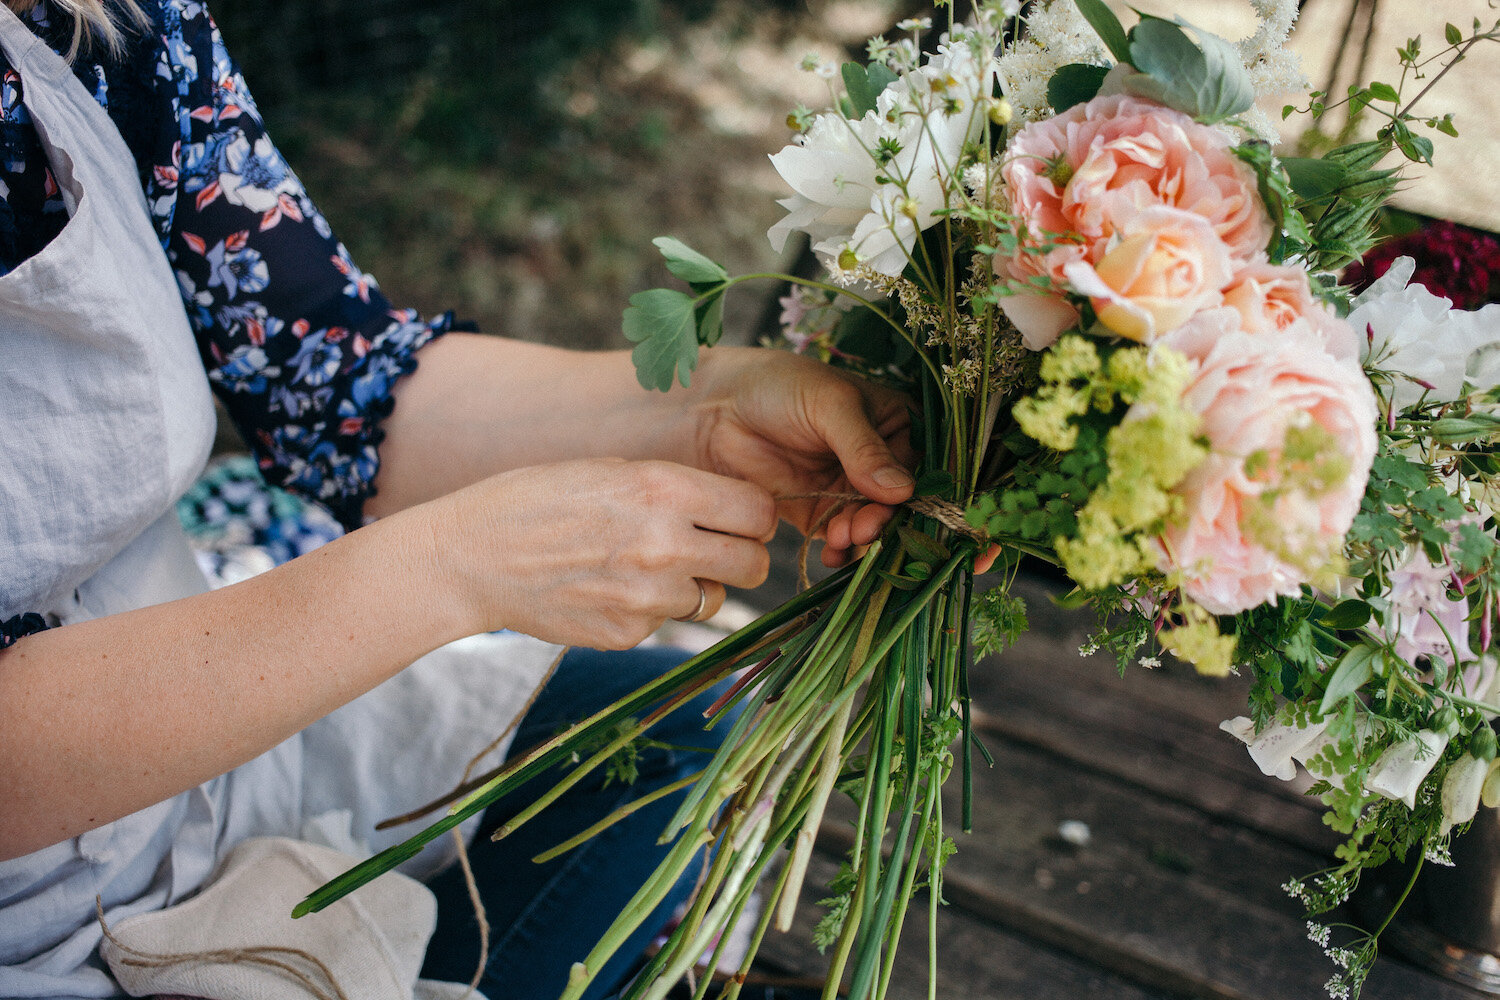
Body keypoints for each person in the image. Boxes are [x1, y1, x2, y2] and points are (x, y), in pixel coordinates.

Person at [0, 2, 915, 998]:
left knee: (685, 731)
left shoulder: (106, 27)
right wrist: (453, 568)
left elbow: (337, 374)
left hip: (212, 758)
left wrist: (716, 412)